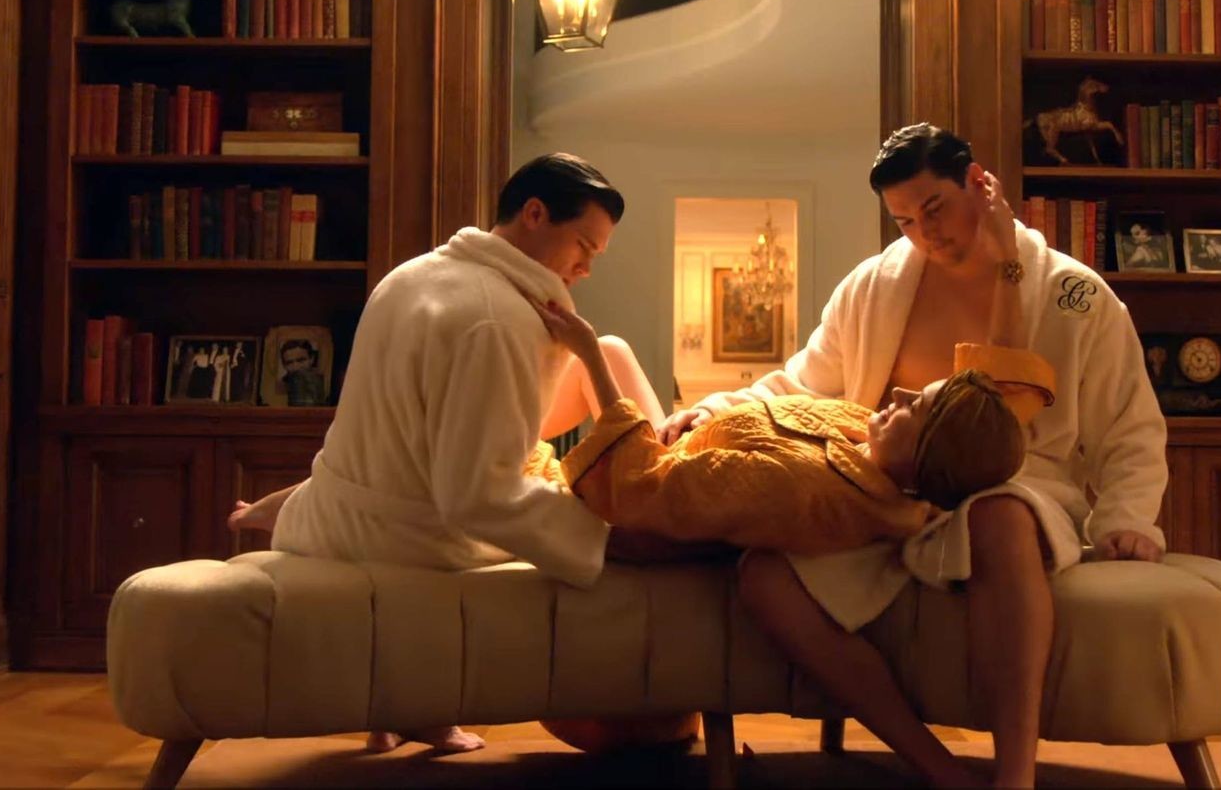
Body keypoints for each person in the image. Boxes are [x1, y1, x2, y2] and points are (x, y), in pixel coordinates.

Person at [663, 124, 1169, 789]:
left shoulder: (1073, 294)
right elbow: (804, 383)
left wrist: (1126, 517)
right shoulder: (873, 287)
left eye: (934, 208)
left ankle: (1014, 777)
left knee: (996, 513)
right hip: (897, 492)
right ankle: (938, 768)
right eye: (904, 220)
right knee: (765, 575)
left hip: (1023, 487)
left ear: (978, 183)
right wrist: (717, 410)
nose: (925, 233)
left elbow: (1128, 423)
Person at [227, 153, 682, 755]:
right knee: (611, 533)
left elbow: (402, 432)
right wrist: (601, 541)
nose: (586, 268)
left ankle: (296, 509)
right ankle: (421, 705)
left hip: (340, 508)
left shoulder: (411, 275)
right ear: (534, 213)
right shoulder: (497, 320)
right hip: (407, 536)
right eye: (583, 246)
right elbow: (477, 496)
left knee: (601, 361)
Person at [515, 166, 1051, 559]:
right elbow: (989, 394)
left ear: (927, 456)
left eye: (917, 408)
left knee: (600, 353)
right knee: (613, 349)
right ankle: (514, 435)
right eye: (905, 220)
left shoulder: (806, 482)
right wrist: (710, 410)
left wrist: (586, 352)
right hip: (680, 447)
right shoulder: (858, 431)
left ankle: (509, 447)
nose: (900, 394)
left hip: (636, 485)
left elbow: (640, 490)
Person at [279, 339, 326, 406]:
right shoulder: (281, 385)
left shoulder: (322, 382)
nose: (296, 367)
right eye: (289, 363)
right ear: (284, 365)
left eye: (301, 360)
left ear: (311, 359)